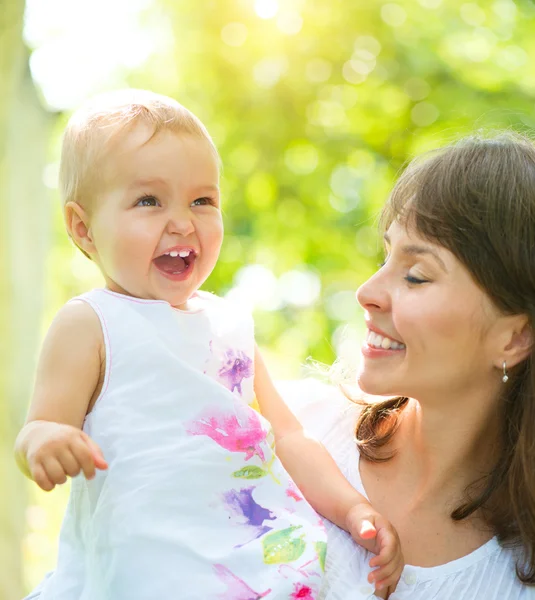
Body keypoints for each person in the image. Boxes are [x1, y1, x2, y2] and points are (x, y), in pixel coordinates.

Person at [14, 89, 403, 600]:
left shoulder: (230, 323)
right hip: (145, 571)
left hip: (248, 563)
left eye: (203, 200)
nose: (183, 221)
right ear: (83, 228)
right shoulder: (92, 323)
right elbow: (40, 424)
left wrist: (354, 509)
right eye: (149, 201)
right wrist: (44, 441)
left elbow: (289, 439)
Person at [284, 132, 535, 599]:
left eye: (416, 275)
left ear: (515, 337)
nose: (367, 292)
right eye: (386, 255)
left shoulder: (514, 581)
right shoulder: (291, 428)